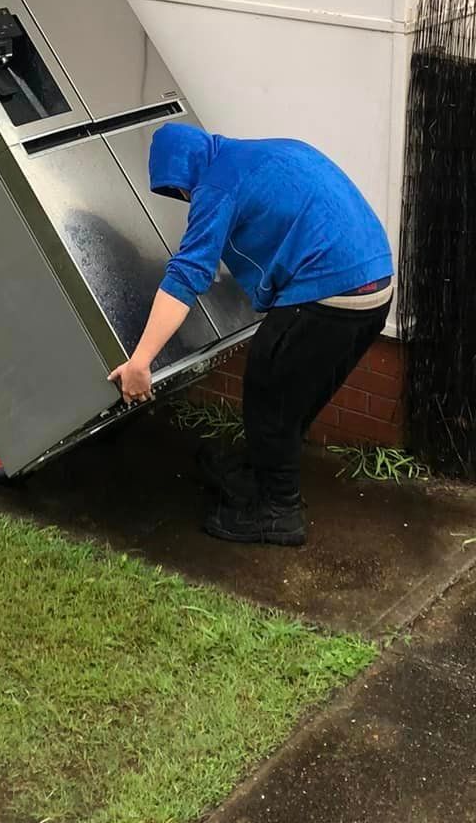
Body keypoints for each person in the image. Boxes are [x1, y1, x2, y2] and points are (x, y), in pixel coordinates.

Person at [110, 122, 394, 547]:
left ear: (184, 170)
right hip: (375, 282)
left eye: (179, 190)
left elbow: (188, 273)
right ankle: (257, 472)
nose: (185, 198)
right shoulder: (267, 152)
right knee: (290, 394)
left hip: (330, 293)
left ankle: (279, 512)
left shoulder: (216, 186)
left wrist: (141, 361)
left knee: (270, 389)